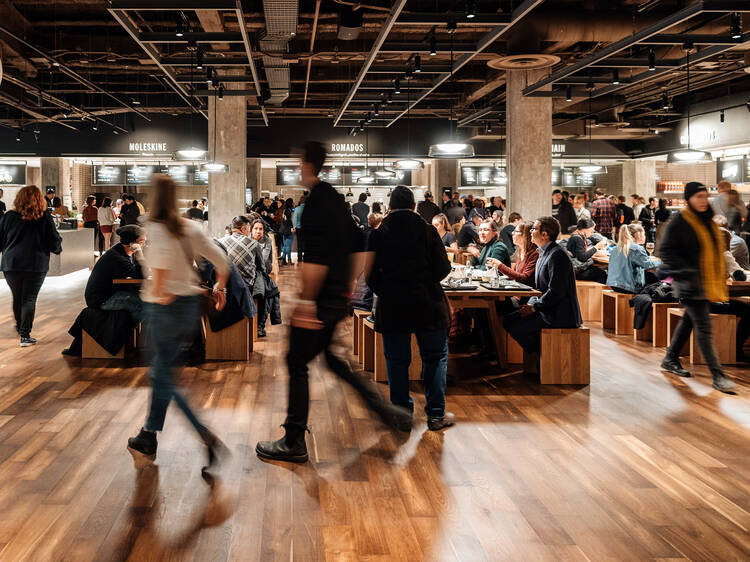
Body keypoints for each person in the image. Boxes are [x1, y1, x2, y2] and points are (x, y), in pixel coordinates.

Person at [255, 142, 411, 464]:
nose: (297, 168)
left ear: (306, 164)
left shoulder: (316, 203)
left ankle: (293, 440)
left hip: (319, 302)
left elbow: (315, 260)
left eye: (298, 162)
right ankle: (388, 412)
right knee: (332, 360)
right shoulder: (338, 201)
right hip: (336, 300)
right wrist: (347, 289)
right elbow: (360, 247)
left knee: (296, 362)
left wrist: (306, 303)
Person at [126, 174, 231, 470]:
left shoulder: (154, 227)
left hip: (163, 310)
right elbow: (223, 263)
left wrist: (160, 293)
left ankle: (205, 435)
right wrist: (220, 289)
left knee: (163, 377)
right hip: (188, 309)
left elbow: (158, 271)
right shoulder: (191, 227)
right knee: (162, 374)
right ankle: (148, 434)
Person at [365, 185, 454, 430]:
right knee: (434, 358)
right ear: (414, 206)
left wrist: (387, 289)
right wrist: (425, 282)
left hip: (393, 306)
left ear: (390, 206)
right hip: (429, 305)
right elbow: (443, 269)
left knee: (396, 361)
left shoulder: (378, 234)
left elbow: (369, 275)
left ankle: (402, 415)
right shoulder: (428, 231)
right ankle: (436, 415)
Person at [659, 181, 737, 394]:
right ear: (688, 199)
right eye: (698, 197)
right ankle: (718, 375)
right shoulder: (680, 221)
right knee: (704, 328)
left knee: (688, 322)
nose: (703, 201)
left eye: (705, 196)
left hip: (706, 282)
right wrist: (686, 271)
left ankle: (670, 358)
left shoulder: (707, 220)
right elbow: (665, 251)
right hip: (690, 284)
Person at [503, 216, 581, 356]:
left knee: (517, 329)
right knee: (508, 320)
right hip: (546, 308)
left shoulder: (557, 255)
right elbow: (538, 289)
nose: (530, 232)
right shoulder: (543, 252)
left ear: (545, 234)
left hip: (559, 314)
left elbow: (556, 292)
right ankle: (542, 355)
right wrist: (531, 304)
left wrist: (534, 307)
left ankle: (544, 356)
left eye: (534, 229)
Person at [0, 185, 62, 346]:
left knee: (17, 296)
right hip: (36, 263)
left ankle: (20, 327)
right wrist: (57, 248)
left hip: (11, 263)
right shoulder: (44, 216)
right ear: (40, 199)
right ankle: (25, 335)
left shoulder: (9, 216)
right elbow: (53, 239)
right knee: (29, 298)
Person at [83, 224, 146, 321]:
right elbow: (139, 276)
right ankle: (132, 330)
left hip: (111, 292)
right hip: (102, 299)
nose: (144, 245)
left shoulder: (122, 252)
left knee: (145, 299)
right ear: (131, 244)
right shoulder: (116, 257)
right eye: (141, 242)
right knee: (143, 305)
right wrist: (139, 252)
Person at [606, 224, 661, 294]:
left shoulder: (616, 248)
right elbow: (648, 265)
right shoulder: (637, 249)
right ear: (638, 234)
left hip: (613, 285)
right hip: (628, 287)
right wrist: (661, 261)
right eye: (644, 234)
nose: (645, 237)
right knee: (655, 281)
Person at [489, 220, 538, 286]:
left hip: (528, 292)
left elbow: (524, 278)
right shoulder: (520, 251)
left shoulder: (535, 254)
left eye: (516, 231)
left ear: (525, 235)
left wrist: (500, 266)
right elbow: (515, 275)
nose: (512, 233)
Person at [218, 215, 259, 293]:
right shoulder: (254, 244)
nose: (249, 232)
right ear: (243, 229)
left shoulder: (220, 242)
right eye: (249, 229)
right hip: (246, 286)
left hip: (226, 286)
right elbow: (261, 267)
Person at [567, 217, 608, 283]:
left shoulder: (577, 236)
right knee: (603, 274)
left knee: (600, 271)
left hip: (577, 268)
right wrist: (596, 247)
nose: (592, 232)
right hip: (578, 271)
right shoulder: (577, 239)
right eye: (592, 230)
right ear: (585, 229)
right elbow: (583, 258)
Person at [279, 197, 295, 265]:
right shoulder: (288, 211)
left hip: (284, 230)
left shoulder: (285, 210)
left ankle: (285, 260)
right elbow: (288, 221)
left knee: (285, 245)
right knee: (288, 246)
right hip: (288, 230)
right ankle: (287, 260)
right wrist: (292, 228)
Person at [293, 193, 306, 263]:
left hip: (299, 229)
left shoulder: (297, 209)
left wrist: (294, 227)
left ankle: (300, 258)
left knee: (299, 243)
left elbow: (295, 219)